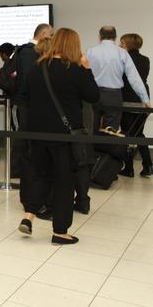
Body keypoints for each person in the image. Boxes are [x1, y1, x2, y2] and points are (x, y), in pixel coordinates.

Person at [19, 28, 100, 244]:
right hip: (64, 136)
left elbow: (25, 98)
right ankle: (60, 231)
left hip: (37, 133)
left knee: (42, 175)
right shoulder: (74, 69)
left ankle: (29, 215)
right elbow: (93, 96)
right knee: (64, 182)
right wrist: (87, 69)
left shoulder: (37, 69)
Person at [87, 26, 150, 135]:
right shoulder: (122, 53)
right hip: (114, 95)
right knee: (110, 131)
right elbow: (134, 78)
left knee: (91, 127)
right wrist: (145, 98)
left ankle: (93, 152)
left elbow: (83, 74)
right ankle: (107, 151)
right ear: (115, 37)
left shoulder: (90, 51)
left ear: (100, 36)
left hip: (93, 93)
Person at [12, 24, 53, 179]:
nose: (52, 38)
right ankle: (17, 167)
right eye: (51, 34)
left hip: (31, 101)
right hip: (27, 102)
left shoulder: (30, 52)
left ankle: (25, 166)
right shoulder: (29, 52)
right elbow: (28, 79)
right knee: (24, 133)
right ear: (43, 35)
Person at [118, 33, 151, 177]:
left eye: (122, 43)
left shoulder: (123, 59)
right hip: (143, 101)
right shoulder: (145, 60)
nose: (120, 46)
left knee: (126, 134)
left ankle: (129, 168)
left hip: (127, 99)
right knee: (139, 134)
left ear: (128, 45)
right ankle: (148, 166)